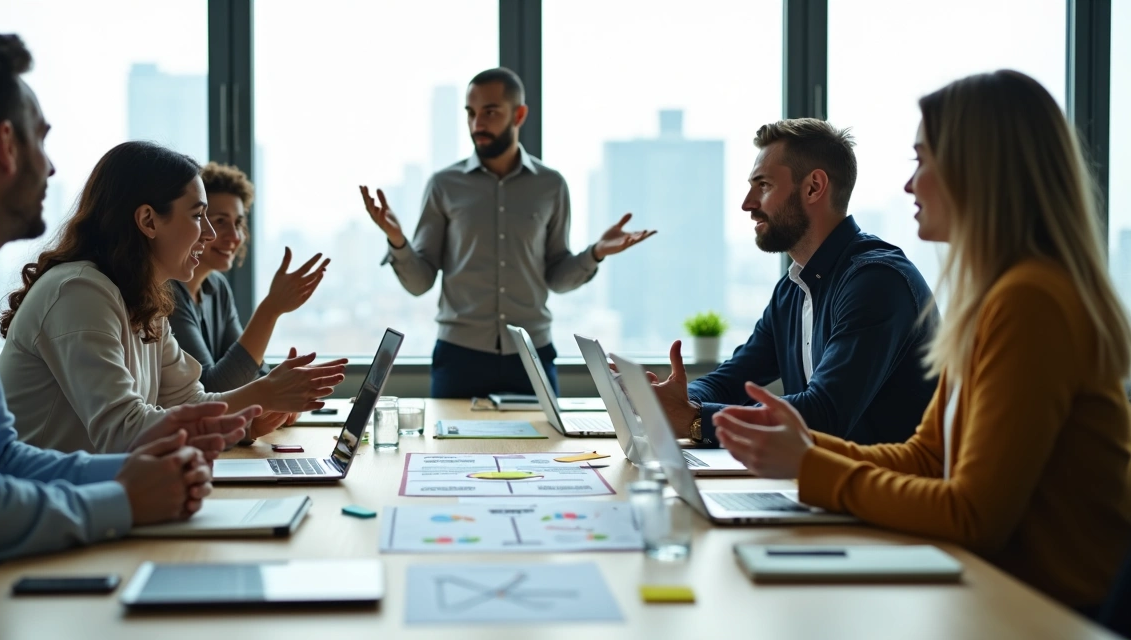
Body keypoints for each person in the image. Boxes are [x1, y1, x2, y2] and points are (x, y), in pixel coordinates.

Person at [714, 70, 1131, 611]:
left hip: (1041, 613)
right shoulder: (997, 297)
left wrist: (810, 464)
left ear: (978, 171)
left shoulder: (1032, 300)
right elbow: (928, 456)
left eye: (922, 160)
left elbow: (972, 514)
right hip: (993, 593)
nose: (910, 185)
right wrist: (806, 447)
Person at [0, 23, 256, 619]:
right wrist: (124, 499)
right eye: (41, 141)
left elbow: (5, 458)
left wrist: (139, 474)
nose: (50, 169)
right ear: (5, 145)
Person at [0, 141, 347, 454]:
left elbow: (189, 400)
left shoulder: (144, 299)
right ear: (148, 221)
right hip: (49, 498)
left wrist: (249, 424)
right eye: (198, 216)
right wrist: (261, 393)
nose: (209, 234)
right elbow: (123, 432)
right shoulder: (79, 293)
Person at [360, 67, 655, 398]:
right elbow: (420, 283)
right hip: (459, 358)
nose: (477, 124)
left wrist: (596, 253)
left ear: (519, 114)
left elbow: (557, 277)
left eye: (490, 112)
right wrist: (398, 241)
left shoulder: (551, 185)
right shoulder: (444, 185)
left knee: (546, 436)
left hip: (532, 355)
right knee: (448, 436)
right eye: (471, 113)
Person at [639, 118, 938, 445]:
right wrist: (674, 401)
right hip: (823, 473)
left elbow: (825, 413)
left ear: (813, 187)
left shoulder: (876, 282)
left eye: (764, 185)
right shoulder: (792, 289)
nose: (747, 204)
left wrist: (697, 420)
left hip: (887, 477)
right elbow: (733, 379)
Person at [168, 162, 327, 435]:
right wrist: (270, 309)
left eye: (239, 223)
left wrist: (285, 394)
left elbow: (249, 375)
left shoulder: (217, 287)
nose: (234, 236)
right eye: (220, 221)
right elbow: (212, 389)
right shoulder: (168, 294)